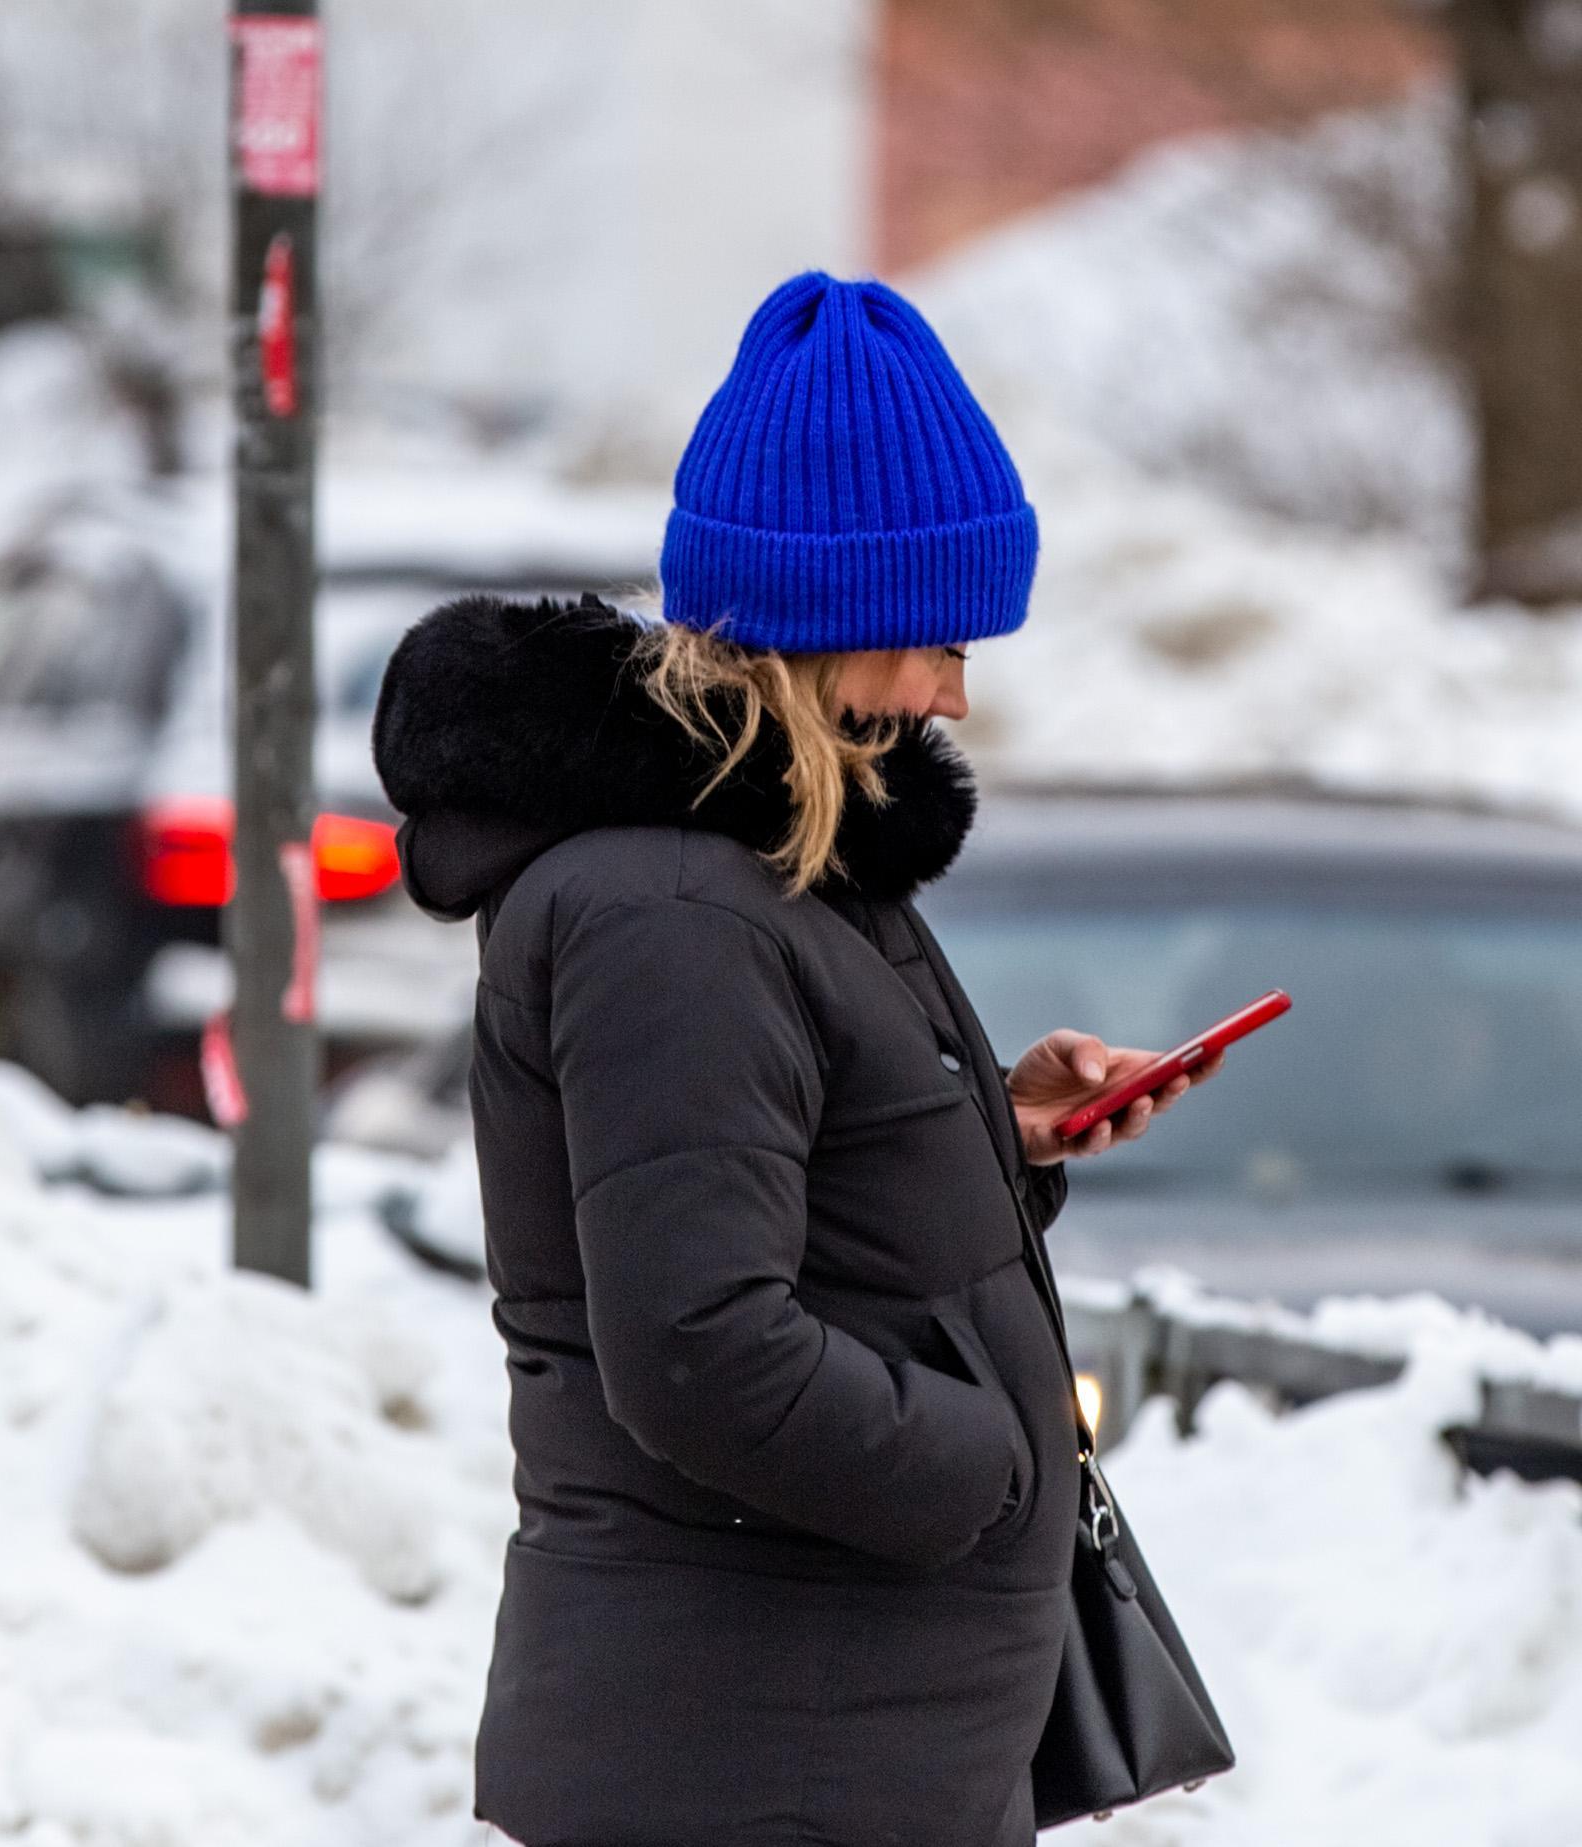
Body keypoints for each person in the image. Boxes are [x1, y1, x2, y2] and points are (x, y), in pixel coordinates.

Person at [372, 270, 1215, 1847]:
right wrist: (988, 1469)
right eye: (933, 640)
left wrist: (1000, 1138)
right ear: (822, 619)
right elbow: (700, 1348)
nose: (957, 692)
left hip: (821, 1738)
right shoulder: (673, 910)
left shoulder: (773, 872)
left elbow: (782, 1204)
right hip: (758, 1756)